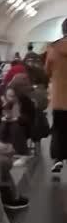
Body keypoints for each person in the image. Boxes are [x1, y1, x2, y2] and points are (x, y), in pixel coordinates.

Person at [46, 18, 67, 174]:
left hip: (60, 99)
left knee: (59, 130)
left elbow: (46, 71)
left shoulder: (53, 48)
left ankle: (58, 159)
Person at [0, 82, 35, 156]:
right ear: (5, 95)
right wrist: (2, 118)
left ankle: (19, 151)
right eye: (9, 96)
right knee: (3, 126)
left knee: (15, 127)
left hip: (21, 125)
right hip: (3, 125)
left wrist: (16, 119)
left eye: (14, 96)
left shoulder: (24, 102)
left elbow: (29, 117)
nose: (12, 98)